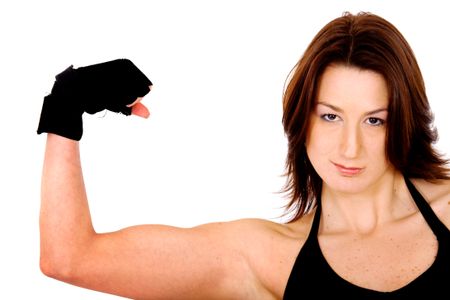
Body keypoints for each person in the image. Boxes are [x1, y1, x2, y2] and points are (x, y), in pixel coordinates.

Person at [37, 11, 450, 299]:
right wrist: (64, 110)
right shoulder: (267, 256)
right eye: (330, 116)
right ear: (300, 120)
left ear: (405, 122)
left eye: (374, 121)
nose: (350, 147)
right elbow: (70, 258)